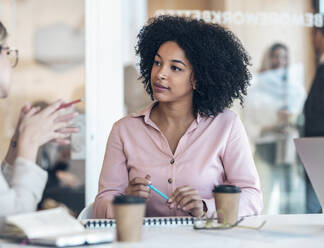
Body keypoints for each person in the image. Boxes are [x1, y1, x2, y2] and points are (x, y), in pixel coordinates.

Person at [94, 15, 262, 219]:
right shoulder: (124, 130)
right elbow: (103, 202)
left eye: (175, 68)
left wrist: (205, 207)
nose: (160, 74)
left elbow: (252, 196)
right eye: (157, 63)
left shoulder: (226, 125)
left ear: (198, 78)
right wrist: (127, 201)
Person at [0, 7, 78, 247]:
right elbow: (14, 221)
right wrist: (29, 143)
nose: (12, 63)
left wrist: (17, 144)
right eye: (6, 51)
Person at [244, 43, 306, 213]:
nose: (280, 61)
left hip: (288, 149)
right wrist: (272, 127)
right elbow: (248, 124)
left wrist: (291, 120)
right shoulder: (256, 87)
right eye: (276, 56)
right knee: (263, 197)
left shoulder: (294, 88)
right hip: (265, 148)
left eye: (284, 57)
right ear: (268, 58)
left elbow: (303, 117)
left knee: (291, 201)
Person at [303, 27, 324, 213]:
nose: (313, 40)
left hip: (319, 147)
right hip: (315, 149)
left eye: (315, 35)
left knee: (314, 205)